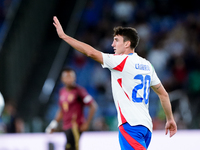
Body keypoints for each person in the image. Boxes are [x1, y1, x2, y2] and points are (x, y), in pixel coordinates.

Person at [52, 16, 177, 150]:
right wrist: (170, 119)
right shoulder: (147, 65)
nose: (112, 45)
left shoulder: (120, 61)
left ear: (127, 44)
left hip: (130, 125)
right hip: (146, 127)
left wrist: (64, 36)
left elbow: (90, 52)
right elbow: (164, 95)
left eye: (116, 40)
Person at [45, 67, 97, 150]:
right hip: (66, 126)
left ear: (74, 78)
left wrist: (87, 123)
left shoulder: (79, 91)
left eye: (71, 76)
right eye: (66, 76)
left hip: (75, 126)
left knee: (73, 147)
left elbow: (93, 105)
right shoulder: (62, 91)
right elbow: (62, 110)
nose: (69, 79)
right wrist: (53, 124)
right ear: (62, 79)